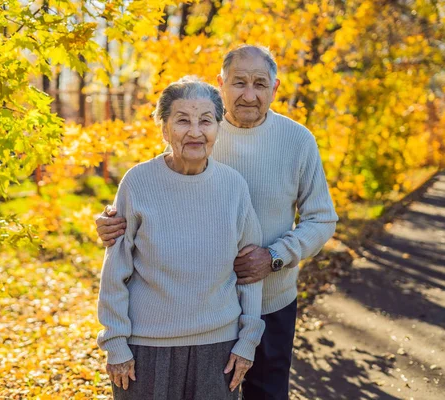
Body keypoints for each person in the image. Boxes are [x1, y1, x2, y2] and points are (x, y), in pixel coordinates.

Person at [96, 45, 339, 399]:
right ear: (221, 84)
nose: (249, 94)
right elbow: (154, 194)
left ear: (275, 87)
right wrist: (108, 222)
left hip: (270, 300)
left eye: (260, 83)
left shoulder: (297, 141)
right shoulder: (202, 127)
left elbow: (322, 218)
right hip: (202, 313)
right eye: (239, 82)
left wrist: (274, 256)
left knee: (267, 395)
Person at [96, 76, 266, 400]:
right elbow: (115, 270)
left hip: (220, 350)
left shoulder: (234, 187)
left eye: (206, 121)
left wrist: (248, 341)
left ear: (218, 128)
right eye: (182, 120)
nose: (195, 132)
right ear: (164, 129)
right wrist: (115, 343)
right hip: (146, 349)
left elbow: (249, 273)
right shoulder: (137, 182)